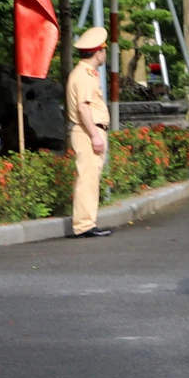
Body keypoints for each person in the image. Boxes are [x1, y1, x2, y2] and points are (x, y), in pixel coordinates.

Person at [66, 26, 112, 238]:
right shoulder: (84, 75)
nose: (105, 54)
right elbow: (83, 107)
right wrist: (95, 135)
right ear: (98, 52)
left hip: (89, 130)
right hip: (87, 132)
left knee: (90, 178)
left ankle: (86, 223)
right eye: (104, 50)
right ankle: (84, 225)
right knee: (87, 179)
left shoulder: (85, 73)